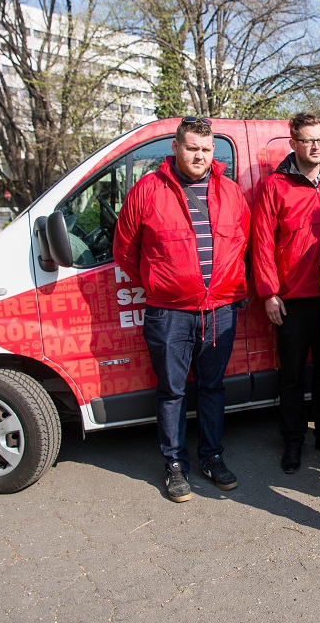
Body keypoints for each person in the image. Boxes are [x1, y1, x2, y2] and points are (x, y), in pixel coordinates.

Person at [113, 116, 250, 503]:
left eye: (207, 149)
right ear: (175, 148)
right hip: (169, 312)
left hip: (219, 310)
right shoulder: (148, 189)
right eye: (192, 148)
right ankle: (174, 465)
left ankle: (212, 457)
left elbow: (242, 241)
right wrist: (159, 283)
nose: (200, 156)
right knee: (172, 391)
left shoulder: (230, 191)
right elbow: (125, 250)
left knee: (212, 388)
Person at [251, 112, 320, 475]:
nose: (315, 146)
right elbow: (262, 244)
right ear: (292, 143)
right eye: (307, 140)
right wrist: (268, 293)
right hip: (292, 298)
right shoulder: (274, 187)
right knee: (292, 374)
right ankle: (293, 441)